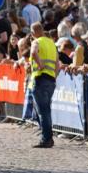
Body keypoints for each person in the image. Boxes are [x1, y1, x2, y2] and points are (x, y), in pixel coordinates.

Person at [29, 21, 58, 149]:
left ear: (33, 32)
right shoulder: (51, 43)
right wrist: (54, 76)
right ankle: (48, 137)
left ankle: (46, 139)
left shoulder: (36, 42)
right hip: (51, 79)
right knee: (46, 110)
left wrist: (40, 65)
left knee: (43, 111)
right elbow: (58, 63)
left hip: (40, 78)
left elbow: (33, 53)